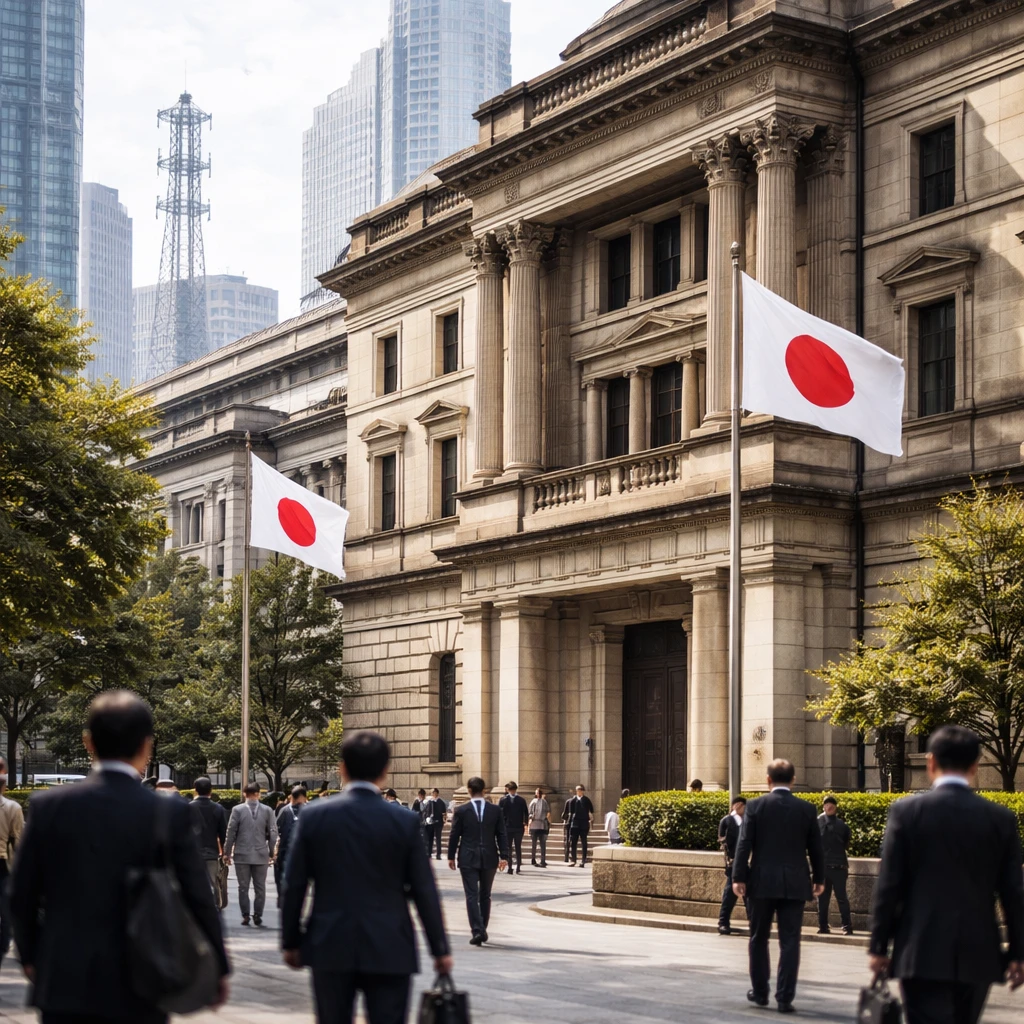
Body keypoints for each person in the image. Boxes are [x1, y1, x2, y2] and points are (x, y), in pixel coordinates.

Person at [10, 690, 230, 1023]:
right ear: (146, 744)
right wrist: (218, 966)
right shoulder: (167, 813)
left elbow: (21, 892)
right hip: (144, 975)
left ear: (88, 742)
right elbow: (198, 895)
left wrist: (30, 955)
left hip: (64, 979)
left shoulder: (49, 807)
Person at [282, 730, 451, 1024]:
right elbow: (424, 888)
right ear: (385, 771)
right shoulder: (404, 821)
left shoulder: (314, 816)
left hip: (330, 943)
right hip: (390, 944)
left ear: (342, 768)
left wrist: (291, 941)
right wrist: (440, 949)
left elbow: (294, 884)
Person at [869, 726, 1024, 1024]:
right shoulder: (1000, 819)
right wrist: (1018, 952)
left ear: (930, 762)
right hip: (978, 952)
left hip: (920, 949)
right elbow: (1013, 893)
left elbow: (889, 885)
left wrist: (878, 947)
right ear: (975, 765)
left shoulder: (906, 812)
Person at [732, 759, 824, 1013]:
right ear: (793, 780)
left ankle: (760, 992)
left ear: (768, 780)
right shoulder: (806, 809)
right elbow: (816, 848)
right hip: (795, 883)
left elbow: (744, 844)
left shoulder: (756, 806)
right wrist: (819, 879)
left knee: (758, 938)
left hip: (760, 882)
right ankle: (784, 997)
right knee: (790, 940)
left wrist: (738, 878)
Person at [448, 777, 508, 945]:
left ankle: (478, 930)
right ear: (484, 790)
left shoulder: (461, 810)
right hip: (489, 856)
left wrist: (451, 856)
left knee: (472, 895)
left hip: (468, 856)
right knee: (485, 895)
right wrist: (504, 856)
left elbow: (454, 834)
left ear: (468, 790)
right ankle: (481, 929)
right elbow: (502, 834)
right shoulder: (495, 810)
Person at [224, 781, 278, 927]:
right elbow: (273, 834)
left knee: (243, 887)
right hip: (261, 854)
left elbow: (231, 832)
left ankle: (246, 915)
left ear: (244, 794)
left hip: (242, 854)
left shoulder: (237, 810)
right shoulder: (268, 810)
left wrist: (227, 852)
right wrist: (272, 852)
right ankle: (258, 914)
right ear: (258, 794)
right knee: (260, 887)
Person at [189, 775, 228, 908]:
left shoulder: (187, 808)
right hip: (212, 852)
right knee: (212, 882)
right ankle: (213, 907)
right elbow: (223, 833)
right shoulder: (218, 808)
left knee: (193, 882)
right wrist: (225, 853)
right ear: (211, 790)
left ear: (195, 790)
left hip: (192, 853)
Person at [0, 756, 24, 968]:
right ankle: (3, 943)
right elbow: (18, 840)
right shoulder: (12, 807)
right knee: (5, 911)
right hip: (3, 865)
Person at [817, 795, 853, 935]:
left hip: (835, 867)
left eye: (831, 804)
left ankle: (842, 926)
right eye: (826, 804)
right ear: (824, 806)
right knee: (827, 899)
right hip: (829, 867)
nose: (829, 806)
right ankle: (827, 926)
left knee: (837, 898)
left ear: (835, 807)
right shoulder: (821, 823)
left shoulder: (840, 825)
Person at [717, 795, 746, 935]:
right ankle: (723, 922)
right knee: (730, 894)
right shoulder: (727, 821)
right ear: (738, 805)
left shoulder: (747, 822)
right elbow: (722, 841)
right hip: (733, 863)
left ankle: (755, 922)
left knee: (750, 895)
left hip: (747, 863)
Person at [275, 785, 307, 907]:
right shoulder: (309, 810)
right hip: (302, 853)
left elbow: (277, 830)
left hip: (285, 849)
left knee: (282, 875)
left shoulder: (284, 810)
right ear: (304, 797)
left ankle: (283, 897)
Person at [499, 781, 529, 875]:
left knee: (517, 847)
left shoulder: (521, 800)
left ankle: (518, 866)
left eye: (513, 790)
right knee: (508, 848)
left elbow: (526, 813)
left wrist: (526, 823)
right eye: (510, 790)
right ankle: (510, 867)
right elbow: (499, 814)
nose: (511, 792)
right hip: (507, 827)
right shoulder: (503, 800)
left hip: (518, 827)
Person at [566, 784, 594, 867]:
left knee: (584, 842)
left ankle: (583, 860)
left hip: (584, 824)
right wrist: (569, 824)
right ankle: (573, 860)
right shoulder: (572, 801)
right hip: (574, 824)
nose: (579, 791)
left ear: (583, 791)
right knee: (573, 842)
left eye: (580, 790)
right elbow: (570, 813)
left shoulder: (586, 800)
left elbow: (591, 810)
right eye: (577, 790)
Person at [423, 788, 447, 860]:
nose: (433, 794)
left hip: (438, 822)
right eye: (432, 793)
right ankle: (429, 853)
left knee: (438, 838)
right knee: (430, 838)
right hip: (430, 822)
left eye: (434, 793)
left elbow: (444, 813)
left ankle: (438, 854)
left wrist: (443, 820)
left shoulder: (441, 802)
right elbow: (426, 811)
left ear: (437, 793)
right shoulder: (429, 802)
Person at [528, 787, 550, 867]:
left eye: (539, 793)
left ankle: (543, 860)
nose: (538, 794)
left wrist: (547, 819)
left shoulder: (544, 802)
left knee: (543, 843)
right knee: (534, 843)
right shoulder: (533, 802)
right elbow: (530, 812)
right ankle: (533, 859)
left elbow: (548, 811)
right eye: (537, 793)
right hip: (534, 824)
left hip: (542, 824)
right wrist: (531, 817)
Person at [561, 793, 574, 862]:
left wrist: (564, 820)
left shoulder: (568, 801)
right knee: (573, 841)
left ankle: (566, 857)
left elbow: (564, 814)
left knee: (567, 840)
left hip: (568, 822)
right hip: (575, 823)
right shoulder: (578, 802)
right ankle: (573, 857)